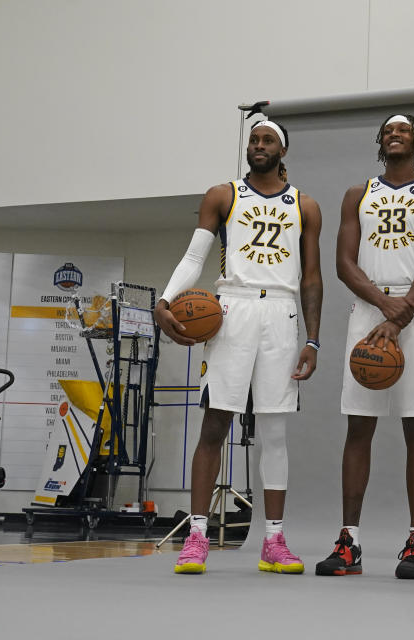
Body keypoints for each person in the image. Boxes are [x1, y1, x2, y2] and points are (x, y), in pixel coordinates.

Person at [154, 119, 323, 575]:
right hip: (232, 310)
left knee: (274, 432)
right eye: (253, 139)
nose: (259, 146)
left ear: (283, 149)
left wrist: (312, 338)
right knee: (215, 423)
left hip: (282, 314)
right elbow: (195, 258)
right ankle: (196, 537)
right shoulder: (223, 195)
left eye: (267, 140)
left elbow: (312, 278)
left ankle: (274, 540)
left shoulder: (305, 205)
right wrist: (164, 300)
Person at [315, 114, 414, 579]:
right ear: (380, 142)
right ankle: (348, 542)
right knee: (359, 428)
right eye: (387, 131)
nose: (395, 134)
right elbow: (343, 263)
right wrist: (384, 308)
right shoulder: (359, 194)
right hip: (369, 307)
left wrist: (403, 313)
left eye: (403, 130)